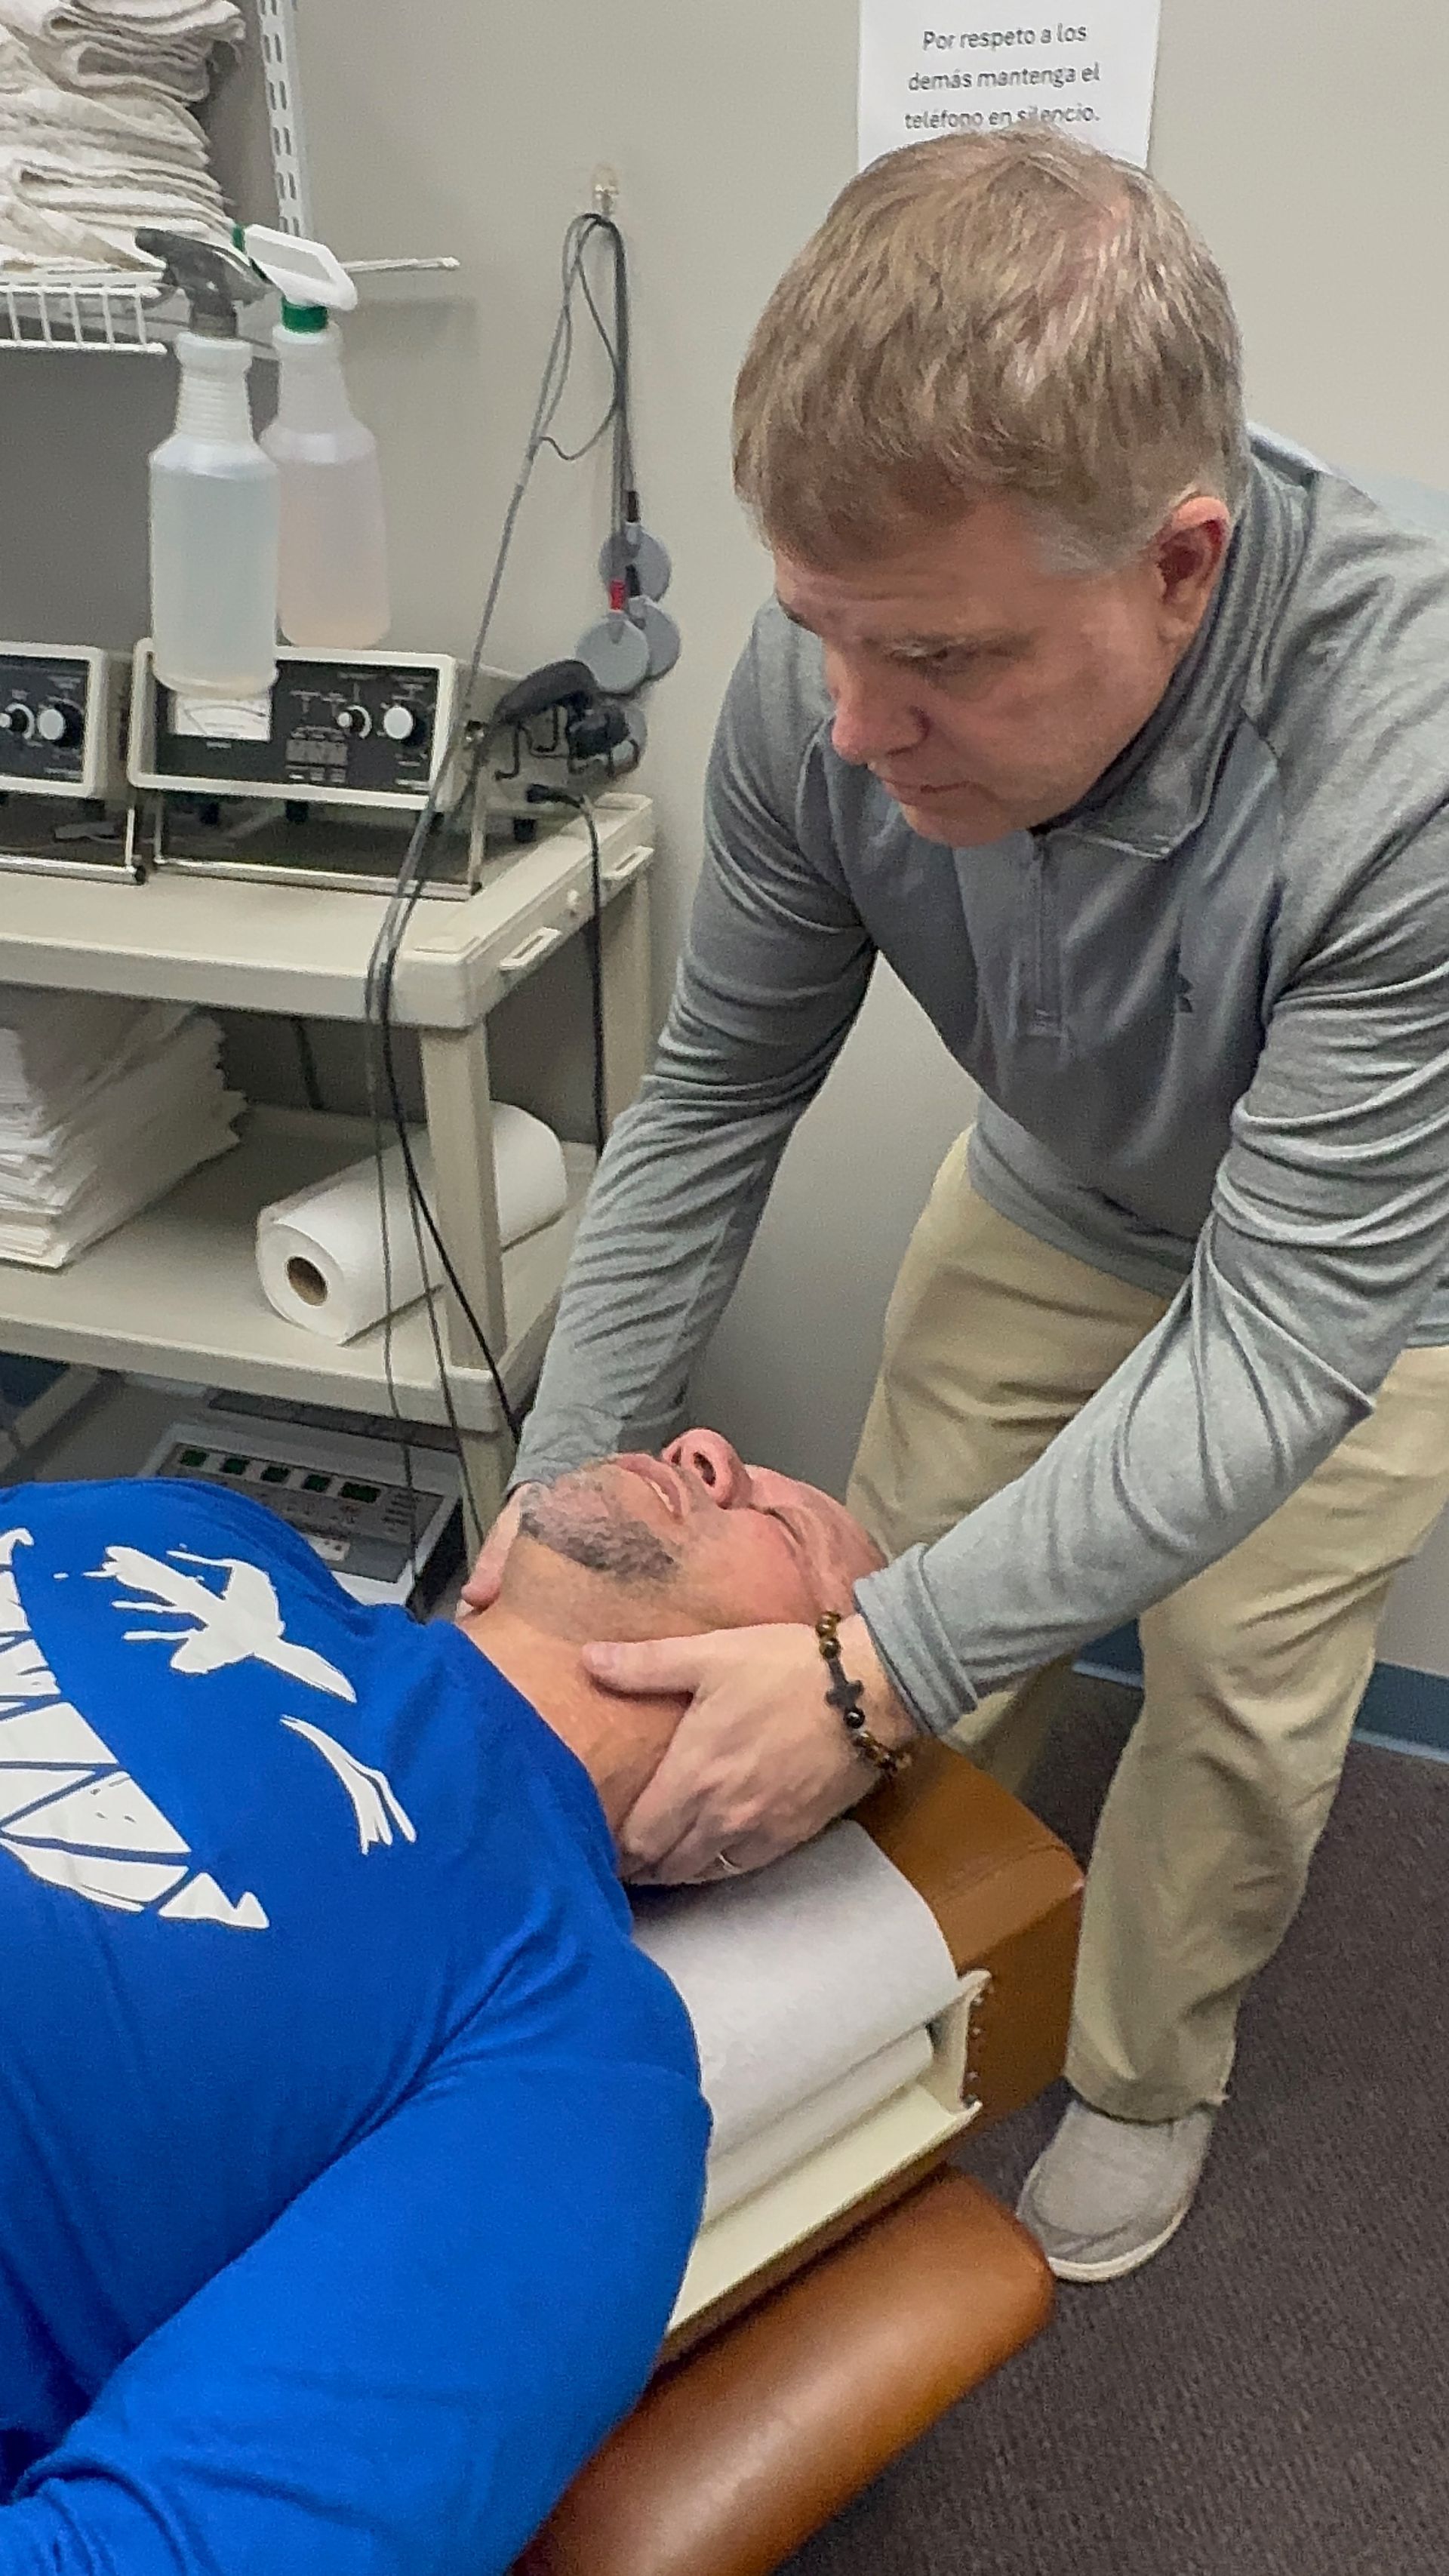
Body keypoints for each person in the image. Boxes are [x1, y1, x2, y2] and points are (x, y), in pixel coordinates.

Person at [464, 126, 1449, 2285]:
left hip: (1355, 1279)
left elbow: (1284, 1338)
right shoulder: (825, 700)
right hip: (1052, 1185)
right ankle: (889, 1995)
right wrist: (555, 1533)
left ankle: (1145, 2063)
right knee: (899, 1575)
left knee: (1237, 1685)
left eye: (944, 659)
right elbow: (716, 1091)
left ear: (1179, 567)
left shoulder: (1410, 756)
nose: (859, 724)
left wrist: (869, 1666)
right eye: (822, 630)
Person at [0, 1433, 880, 2575]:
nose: (706, 1447)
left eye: (789, 1527)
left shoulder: (576, 2062)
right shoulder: (209, 1528)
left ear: (785, 1778)